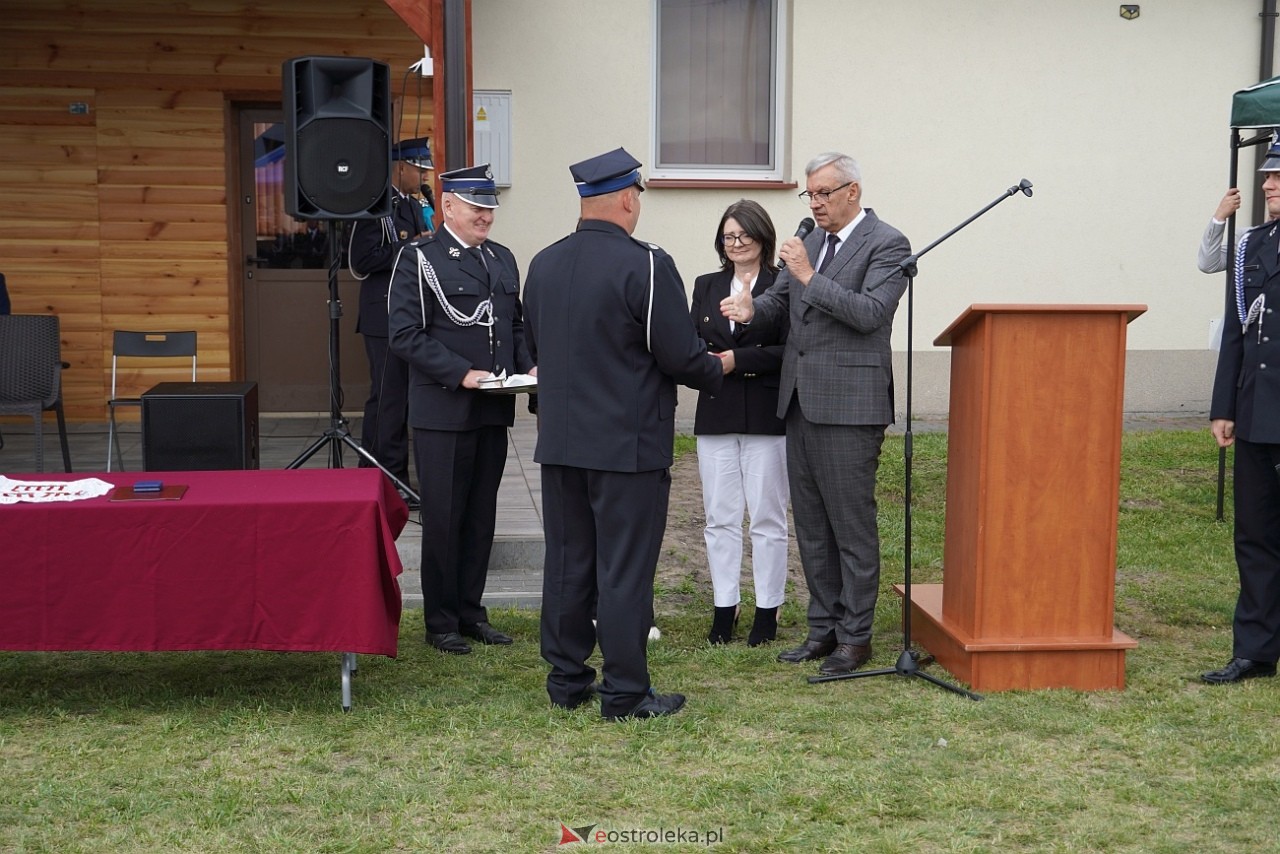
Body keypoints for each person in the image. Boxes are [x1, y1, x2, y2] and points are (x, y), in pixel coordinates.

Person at [524, 147, 724, 720]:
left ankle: (566, 681)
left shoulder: (544, 262)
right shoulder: (648, 264)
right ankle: (625, 692)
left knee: (567, 562)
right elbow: (680, 354)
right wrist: (720, 368)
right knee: (624, 569)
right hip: (627, 445)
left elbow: (537, 345)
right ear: (627, 199)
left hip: (562, 443)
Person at [721, 151, 911, 677]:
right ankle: (823, 627)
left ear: (853, 191)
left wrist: (808, 274)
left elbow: (870, 314)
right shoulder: (811, 241)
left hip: (850, 406)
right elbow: (782, 301)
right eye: (810, 194)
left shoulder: (888, 244)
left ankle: (856, 637)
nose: (816, 203)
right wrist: (752, 309)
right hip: (800, 401)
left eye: (824, 193)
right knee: (810, 525)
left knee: (850, 527)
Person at [387, 163, 534, 655]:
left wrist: (528, 369)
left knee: (480, 517)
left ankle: (472, 611)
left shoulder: (502, 259)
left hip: (492, 406)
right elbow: (404, 334)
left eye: (491, 209)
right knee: (446, 517)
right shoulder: (420, 258)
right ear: (449, 206)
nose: (486, 217)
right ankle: (441, 619)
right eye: (477, 208)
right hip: (443, 409)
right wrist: (460, 372)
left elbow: (514, 328)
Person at [690, 199, 790, 646]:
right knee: (720, 517)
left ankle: (767, 610)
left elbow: (790, 351)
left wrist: (738, 360)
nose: (736, 244)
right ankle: (723, 608)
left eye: (744, 235)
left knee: (767, 518)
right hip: (717, 412)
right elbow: (691, 343)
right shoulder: (706, 285)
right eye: (729, 236)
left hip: (767, 416)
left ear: (762, 238)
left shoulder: (783, 285)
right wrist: (710, 364)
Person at [1204, 135, 1280, 684]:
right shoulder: (1254, 243)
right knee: (1254, 535)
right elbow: (1237, 332)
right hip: (1255, 412)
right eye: (1268, 175)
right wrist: (1222, 406)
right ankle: (1255, 650)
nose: (1268, 183)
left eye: (1279, 176)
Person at [348, 136, 434, 504]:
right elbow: (360, 261)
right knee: (388, 399)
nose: (424, 175)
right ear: (401, 167)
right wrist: (411, 245)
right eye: (420, 168)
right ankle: (386, 477)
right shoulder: (374, 206)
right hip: (382, 315)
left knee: (401, 399)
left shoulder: (413, 204)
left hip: (407, 314)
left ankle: (383, 474)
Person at [1198, 187, 1243, 274]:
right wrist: (1220, 216)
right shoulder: (1247, 237)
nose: (1267, 186)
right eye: (1267, 177)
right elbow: (1208, 264)